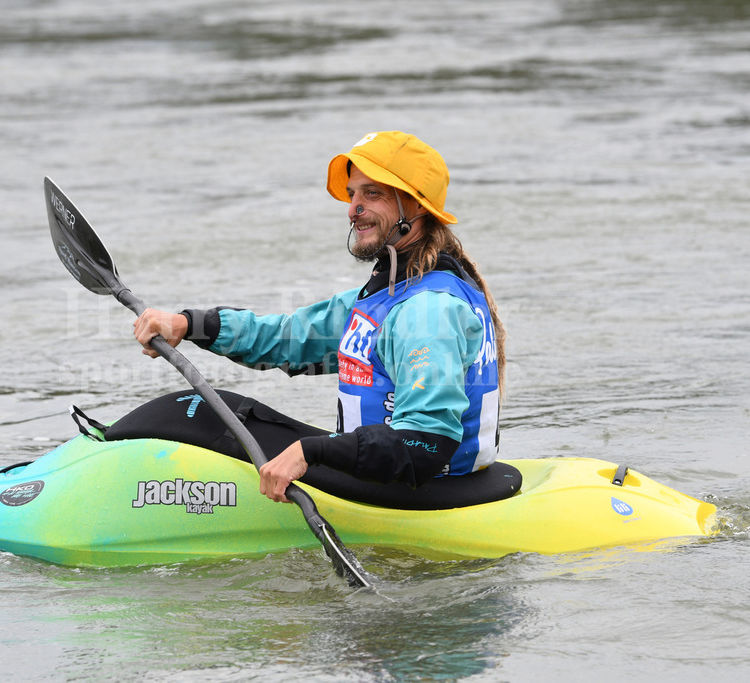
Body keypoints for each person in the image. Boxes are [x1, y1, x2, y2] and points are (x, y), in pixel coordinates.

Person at [133, 131, 505, 505]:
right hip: (390, 471)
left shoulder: (427, 311)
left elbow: (426, 443)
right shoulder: (394, 294)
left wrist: (311, 453)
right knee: (203, 411)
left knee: (203, 426)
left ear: (417, 207)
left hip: (415, 488)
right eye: (352, 194)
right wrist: (190, 324)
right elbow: (287, 341)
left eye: (371, 194)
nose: (352, 209)